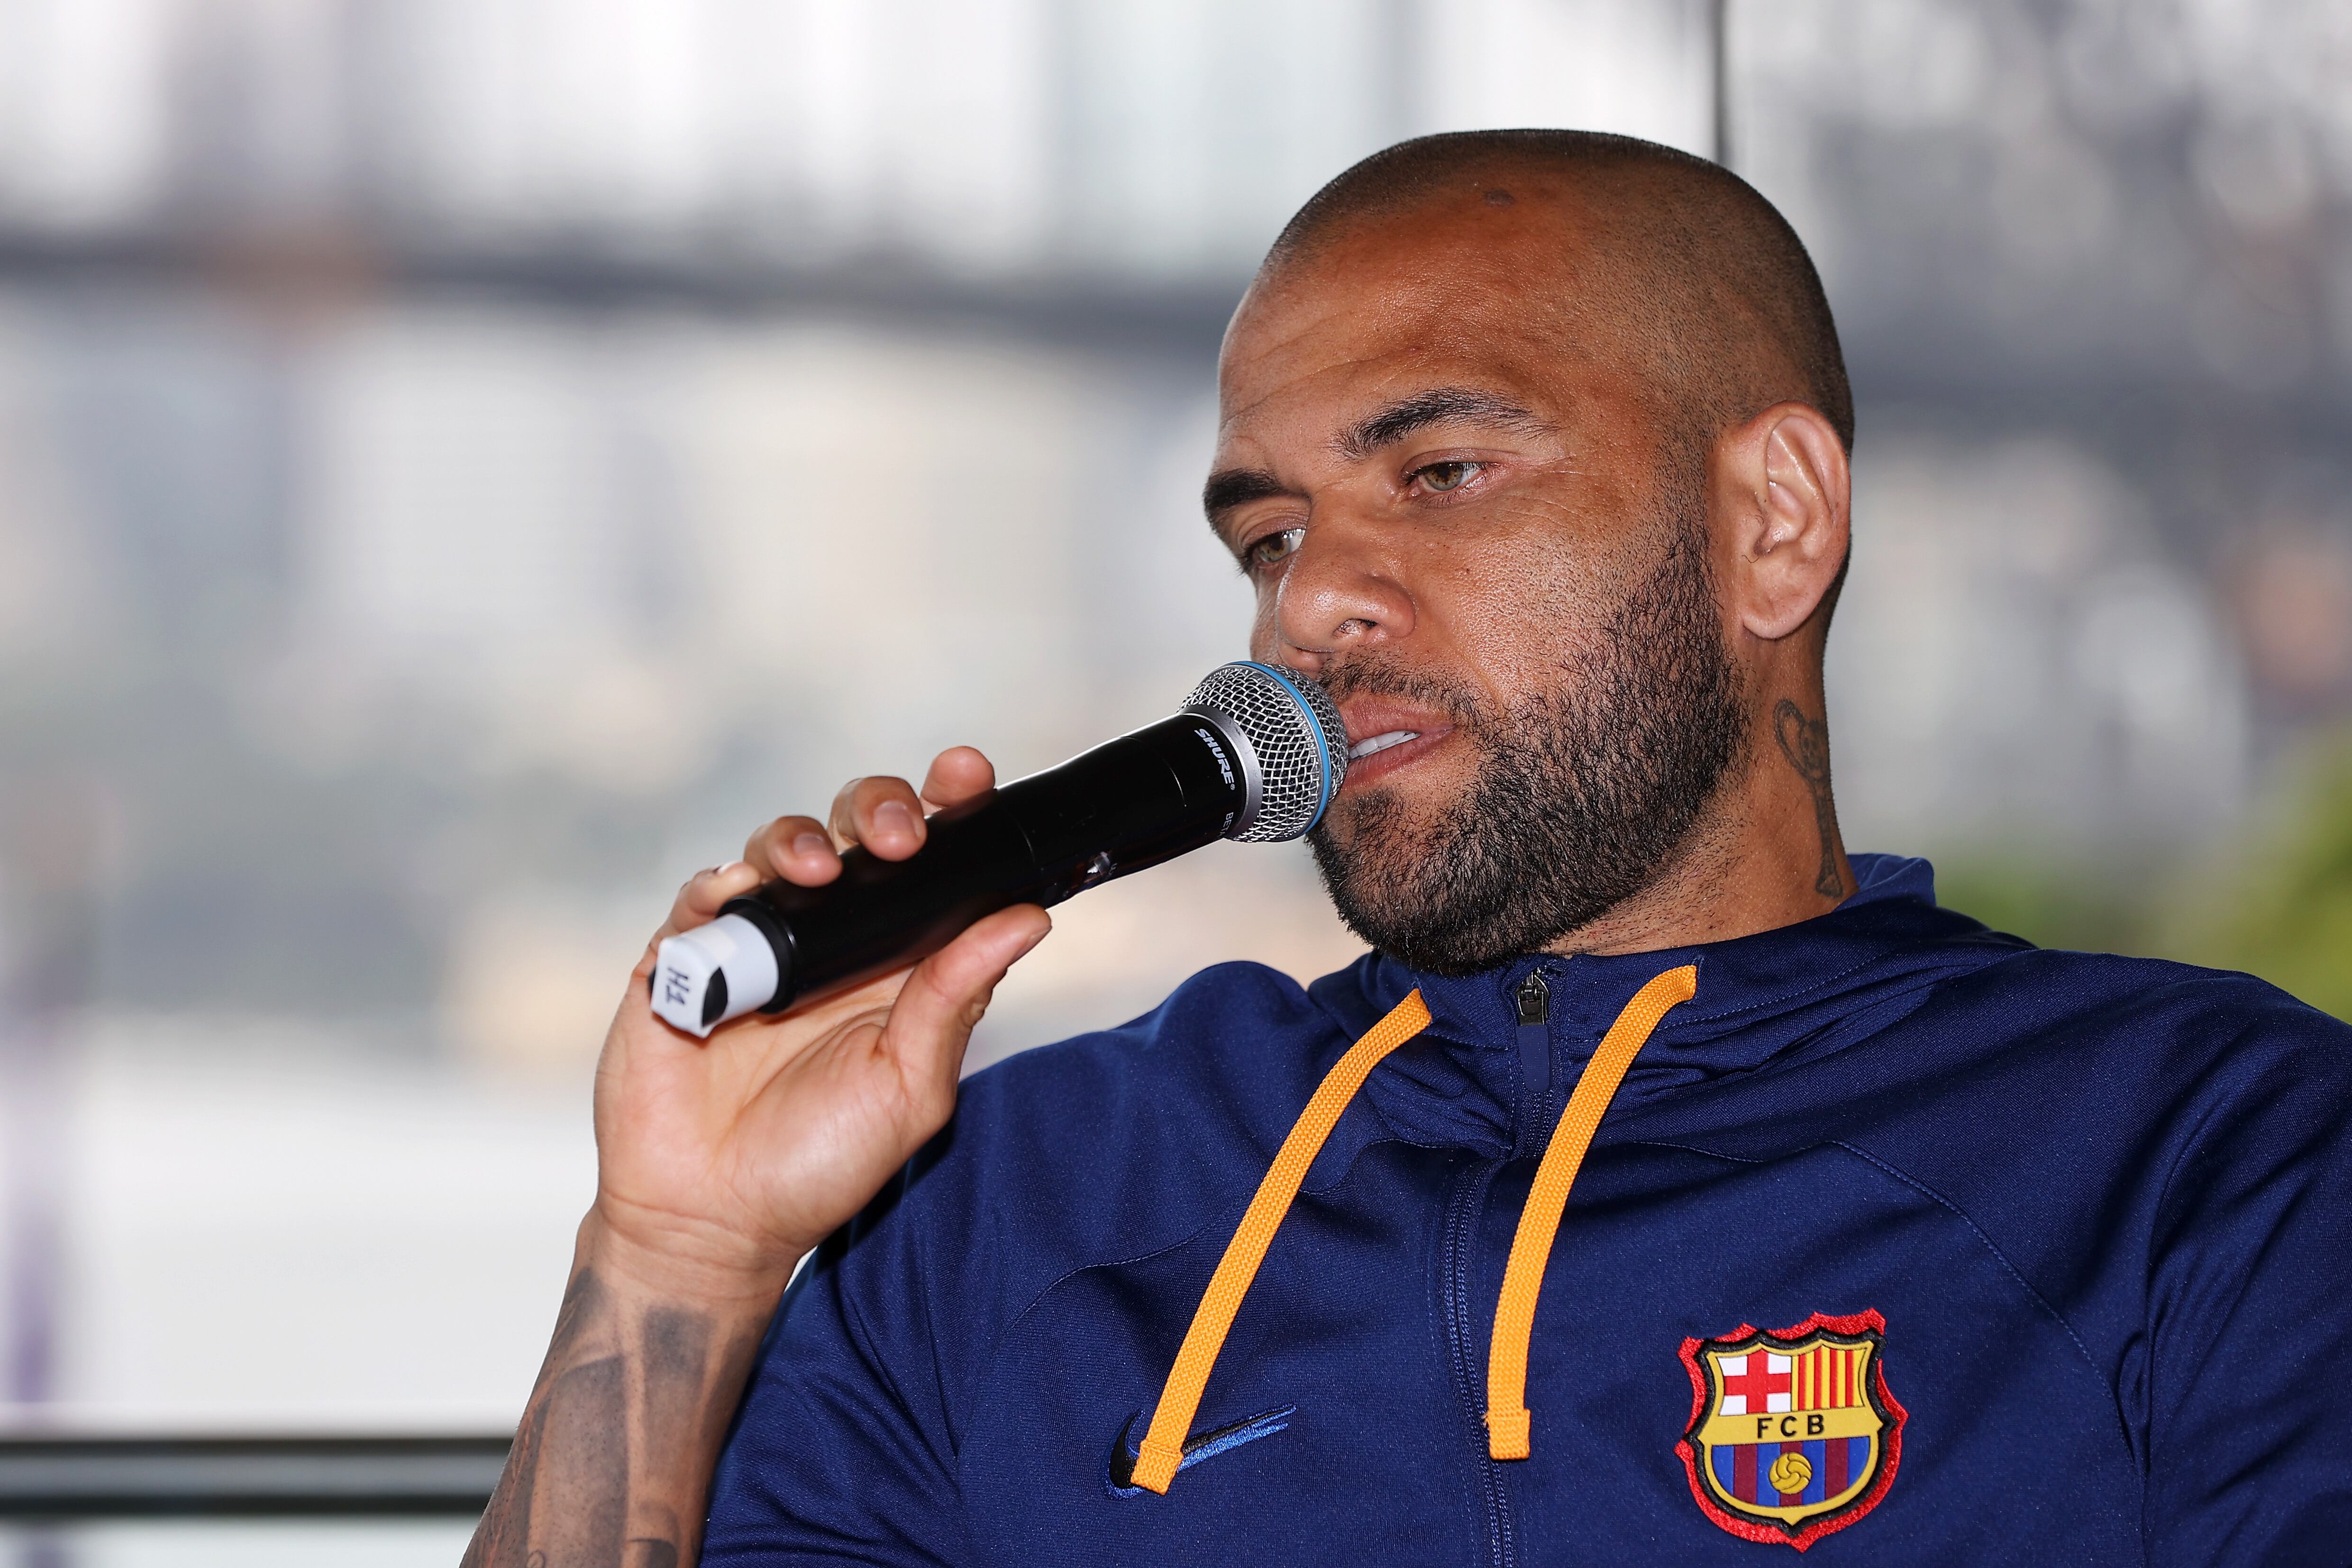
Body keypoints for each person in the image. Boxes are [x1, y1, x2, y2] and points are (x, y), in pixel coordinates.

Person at [461, 131, 2352, 1567]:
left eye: (1437, 474)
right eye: (1267, 533)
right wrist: (680, 1248)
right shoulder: (1009, 1204)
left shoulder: (2209, 1155)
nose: (1311, 605)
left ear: (1771, 523)